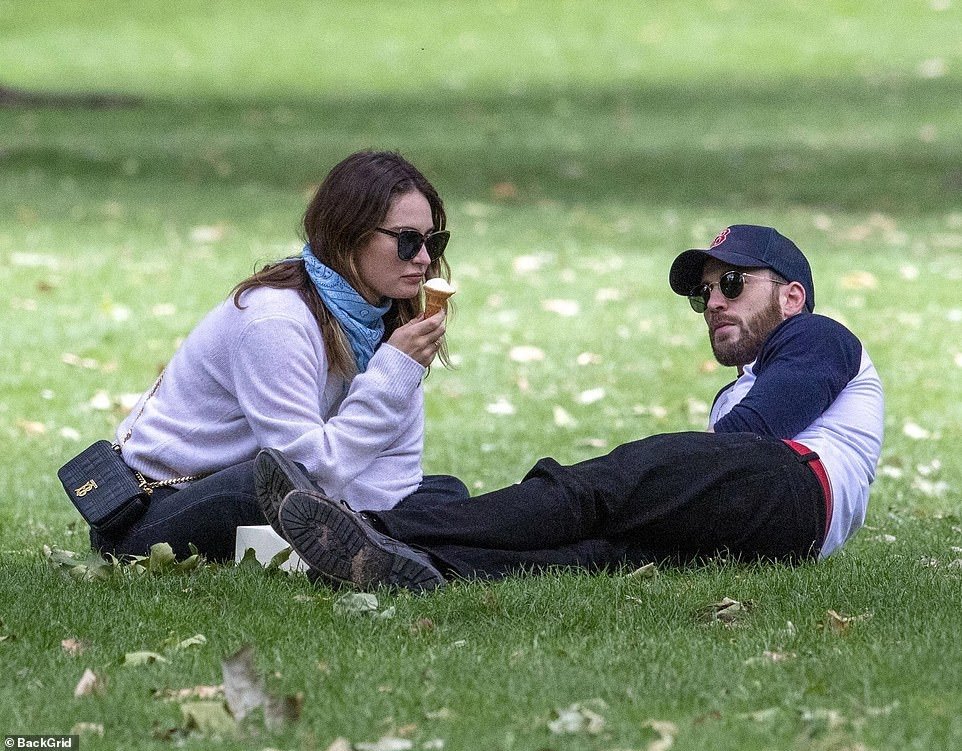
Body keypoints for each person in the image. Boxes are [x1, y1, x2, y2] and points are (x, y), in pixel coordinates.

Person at [261, 224, 884, 591]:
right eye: (704, 294)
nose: (714, 302)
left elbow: (752, 439)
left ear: (792, 296)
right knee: (596, 553)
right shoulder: (739, 388)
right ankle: (405, 564)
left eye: (731, 284)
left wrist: (654, 477)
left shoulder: (818, 335)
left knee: (593, 491)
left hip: (796, 488)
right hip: (783, 528)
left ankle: (376, 529)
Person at [89, 150, 468, 561]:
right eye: (407, 240)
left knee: (445, 492)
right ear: (349, 234)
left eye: (433, 241)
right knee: (265, 480)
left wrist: (361, 518)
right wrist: (392, 370)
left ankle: (365, 543)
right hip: (154, 513)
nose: (424, 259)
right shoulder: (276, 319)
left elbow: (398, 466)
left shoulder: (384, 318)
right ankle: (373, 544)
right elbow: (307, 472)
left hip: (298, 491)